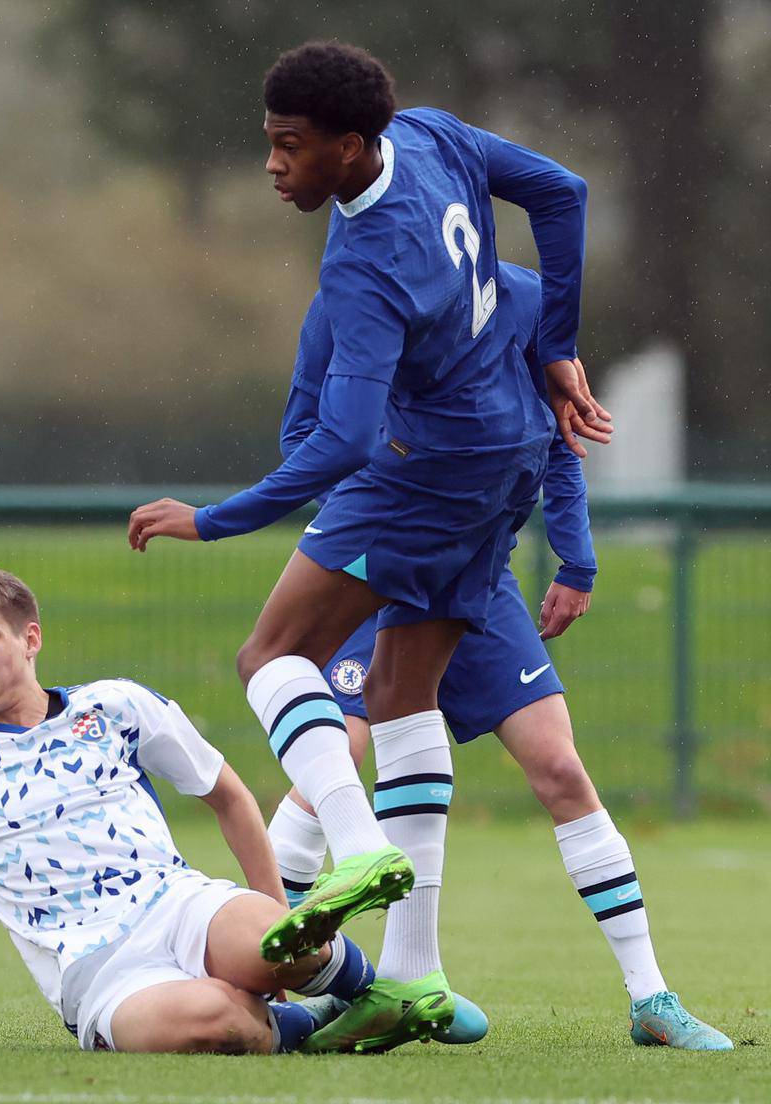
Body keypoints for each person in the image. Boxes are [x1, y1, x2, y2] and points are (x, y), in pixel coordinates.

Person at [125, 40, 613, 1051]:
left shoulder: (363, 267)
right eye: (269, 144)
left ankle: (353, 849)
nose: (273, 166)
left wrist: (212, 519)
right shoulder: (431, 133)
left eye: (290, 147)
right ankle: (411, 976)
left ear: (350, 147)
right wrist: (558, 340)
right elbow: (561, 192)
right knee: (400, 696)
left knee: (271, 656)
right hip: (505, 463)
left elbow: (342, 441)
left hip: (422, 472)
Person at [263, 264, 731, 1050]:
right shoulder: (345, 300)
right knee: (335, 756)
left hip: (478, 575)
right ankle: (281, 978)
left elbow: (560, 432)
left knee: (559, 766)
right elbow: (303, 435)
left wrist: (576, 560)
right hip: (381, 561)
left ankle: (651, 996)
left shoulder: (518, 301)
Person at [0, 569, 408, 1056]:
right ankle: (313, 1025)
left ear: (30, 638)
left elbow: (230, 797)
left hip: (180, 905)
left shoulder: (114, 708)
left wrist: (280, 916)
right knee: (215, 1016)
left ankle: (390, 996)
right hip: (95, 969)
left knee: (276, 943)